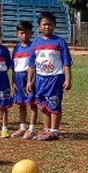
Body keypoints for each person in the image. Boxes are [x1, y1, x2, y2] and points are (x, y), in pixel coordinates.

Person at [26, 11, 72, 141]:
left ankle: (54, 131)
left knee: (54, 103)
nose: (47, 27)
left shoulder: (60, 42)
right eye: (44, 24)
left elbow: (67, 62)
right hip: (40, 79)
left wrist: (68, 79)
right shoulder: (35, 43)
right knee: (43, 105)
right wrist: (30, 81)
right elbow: (31, 65)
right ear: (39, 26)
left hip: (55, 78)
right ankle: (46, 130)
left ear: (54, 26)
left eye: (50, 24)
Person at [11, 21, 39, 139]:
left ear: (31, 33)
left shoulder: (34, 47)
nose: (24, 36)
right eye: (22, 33)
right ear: (17, 33)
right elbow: (13, 66)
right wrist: (13, 81)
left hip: (29, 78)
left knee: (32, 104)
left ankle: (32, 128)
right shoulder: (16, 48)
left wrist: (32, 80)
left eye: (27, 33)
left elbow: (36, 66)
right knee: (21, 104)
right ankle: (22, 127)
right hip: (18, 78)